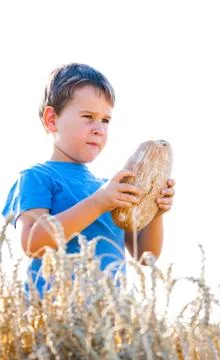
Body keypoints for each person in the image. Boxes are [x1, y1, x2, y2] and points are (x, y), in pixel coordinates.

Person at [1, 63, 175, 298]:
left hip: (105, 321)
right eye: (88, 117)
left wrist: (155, 212)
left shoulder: (108, 188)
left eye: (105, 120)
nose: (99, 129)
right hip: (54, 318)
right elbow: (33, 242)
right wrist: (99, 203)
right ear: (52, 119)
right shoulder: (37, 177)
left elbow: (146, 256)